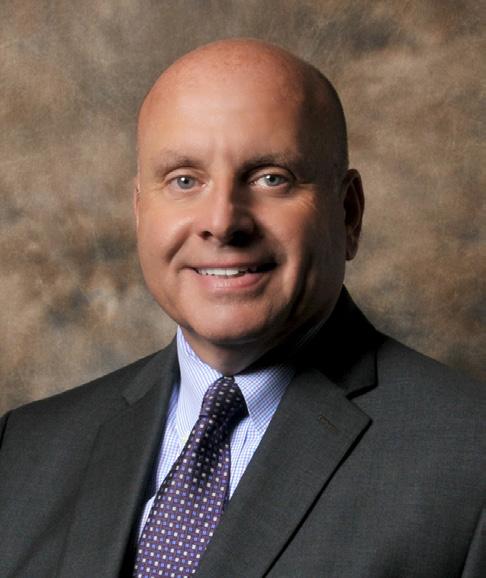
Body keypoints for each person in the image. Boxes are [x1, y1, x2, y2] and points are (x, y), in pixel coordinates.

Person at [0, 38, 484, 578]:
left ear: (348, 214)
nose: (223, 222)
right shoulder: (23, 450)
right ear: (140, 211)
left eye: (271, 178)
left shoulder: (470, 460)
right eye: (184, 180)